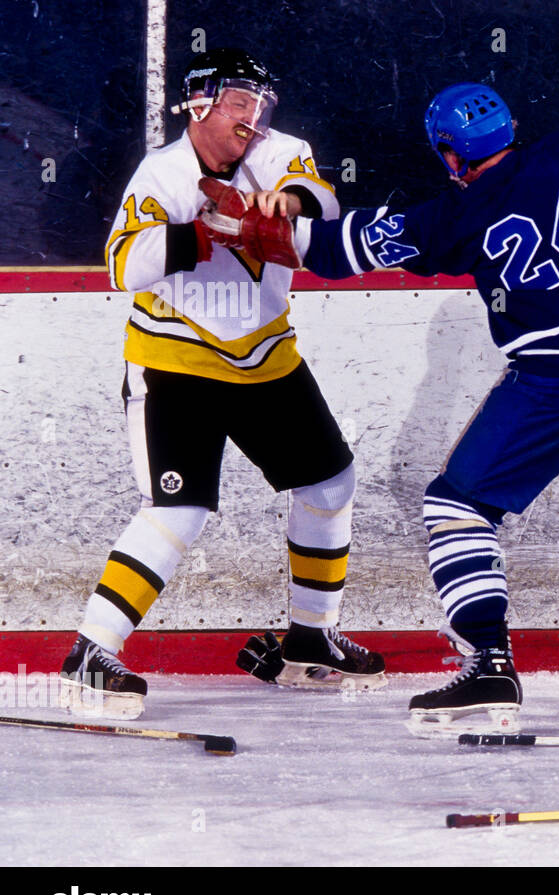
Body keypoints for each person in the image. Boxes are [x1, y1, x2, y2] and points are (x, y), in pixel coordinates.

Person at [249, 82, 559, 736]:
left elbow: (340, 249)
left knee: (456, 508)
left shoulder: (456, 217)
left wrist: (257, 229)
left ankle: (490, 664)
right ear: (510, 126)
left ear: (450, 154)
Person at [63, 48, 384, 720]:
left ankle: (309, 640)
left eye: (259, 102)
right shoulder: (162, 174)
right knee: (177, 509)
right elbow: (123, 262)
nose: (252, 115)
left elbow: (320, 200)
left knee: (330, 485)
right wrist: (200, 232)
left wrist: (282, 202)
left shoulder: (279, 150)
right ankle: (92, 650)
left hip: (267, 360)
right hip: (175, 366)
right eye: (238, 101)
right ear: (201, 105)